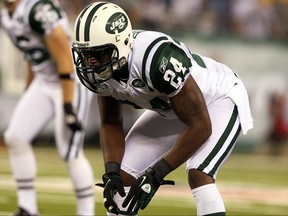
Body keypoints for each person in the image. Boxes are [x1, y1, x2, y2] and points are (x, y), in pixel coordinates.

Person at [72, 2, 253, 216]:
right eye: (85, 54)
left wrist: (156, 173)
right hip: (174, 108)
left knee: (199, 173)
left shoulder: (156, 58)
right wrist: (111, 171)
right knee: (121, 180)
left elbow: (201, 126)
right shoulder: (96, 74)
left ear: (121, 44)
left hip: (218, 97)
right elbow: (110, 122)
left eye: (98, 54)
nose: (90, 63)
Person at [0, 0, 95, 215]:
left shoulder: (37, 9)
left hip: (70, 80)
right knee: (16, 137)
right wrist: (28, 92)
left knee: (70, 151)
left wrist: (69, 105)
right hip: (44, 80)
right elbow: (32, 56)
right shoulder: (7, 14)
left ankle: (86, 212)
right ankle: (28, 207)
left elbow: (64, 54)